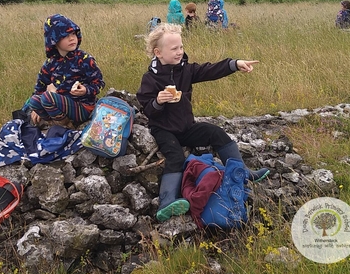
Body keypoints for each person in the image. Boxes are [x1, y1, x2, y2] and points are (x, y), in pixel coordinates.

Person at [136, 23, 270, 222]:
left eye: (181, 47)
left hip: (186, 127)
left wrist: (235, 64)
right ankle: (166, 203)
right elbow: (148, 110)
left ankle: (243, 172)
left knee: (215, 132)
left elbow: (210, 70)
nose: (180, 51)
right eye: (174, 49)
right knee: (175, 157)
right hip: (163, 129)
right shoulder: (150, 78)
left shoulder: (186, 70)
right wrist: (158, 101)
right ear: (158, 52)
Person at [25, 14, 105, 128]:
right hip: (59, 105)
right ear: (54, 40)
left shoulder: (84, 59)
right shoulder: (49, 63)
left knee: (47, 98)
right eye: (65, 36)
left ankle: (67, 127)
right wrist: (35, 109)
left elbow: (99, 83)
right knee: (33, 101)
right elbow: (40, 87)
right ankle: (54, 123)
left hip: (83, 107)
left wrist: (85, 90)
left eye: (73, 34)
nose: (71, 38)